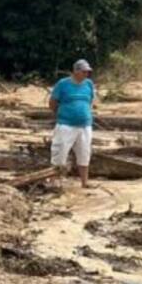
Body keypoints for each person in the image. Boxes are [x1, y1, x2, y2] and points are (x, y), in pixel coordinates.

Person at [49, 59, 95, 188]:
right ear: (76, 71)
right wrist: (62, 114)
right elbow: (53, 102)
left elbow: (90, 101)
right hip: (66, 124)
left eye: (88, 72)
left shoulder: (89, 84)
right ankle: (55, 181)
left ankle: (84, 182)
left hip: (85, 125)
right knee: (60, 152)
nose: (86, 74)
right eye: (84, 71)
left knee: (84, 153)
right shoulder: (63, 84)